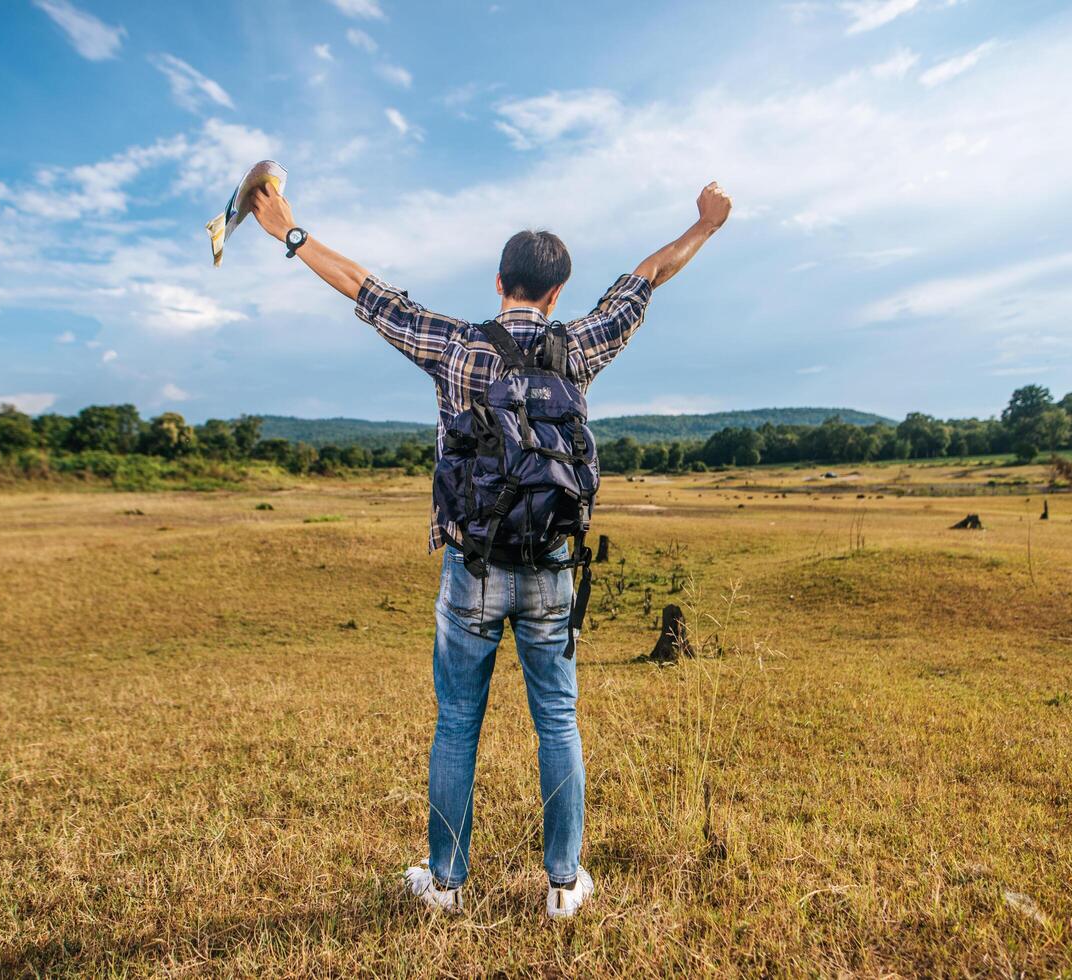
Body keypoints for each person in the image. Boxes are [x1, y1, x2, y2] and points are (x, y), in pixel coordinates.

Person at [247, 179, 732, 918]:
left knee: (456, 724)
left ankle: (445, 884)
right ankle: (563, 885)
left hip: (470, 567)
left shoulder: (454, 344)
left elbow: (363, 288)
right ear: (557, 289)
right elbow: (648, 277)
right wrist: (705, 226)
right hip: (551, 569)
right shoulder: (583, 344)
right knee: (557, 721)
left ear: (499, 282)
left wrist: (285, 229)